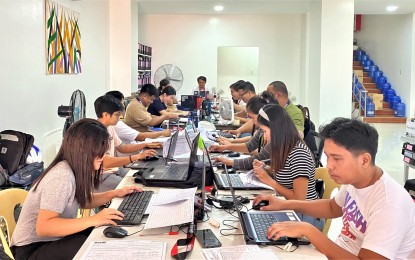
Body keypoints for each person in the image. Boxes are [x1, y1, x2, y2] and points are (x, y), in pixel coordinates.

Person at [254, 118, 415, 259]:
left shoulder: (389, 204)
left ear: (364, 160)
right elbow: (332, 207)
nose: (329, 165)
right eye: (328, 157)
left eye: (337, 158)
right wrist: (283, 204)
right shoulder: (356, 181)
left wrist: (308, 230)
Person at [11, 119, 145, 259]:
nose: (103, 156)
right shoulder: (61, 177)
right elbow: (44, 227)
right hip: (31, 249)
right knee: (95, 250)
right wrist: (94, 219)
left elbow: (83, 201)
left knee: (100, 237)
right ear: (83, 150)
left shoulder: (72, 169)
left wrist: (114, 193)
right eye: (100, 151)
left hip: (54, 239)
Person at [251, 104, 323, 229]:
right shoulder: (284, 147)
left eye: (265, 131)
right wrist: (266, 169)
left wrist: (269, 181)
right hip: (292, 210)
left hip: (306, 217)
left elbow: (299, 199)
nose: (265, 136)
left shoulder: (299, 153)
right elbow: (286, 175)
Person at [95, 95, 159, 192]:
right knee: (136, 188)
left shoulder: (110, 127)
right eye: (117, 115)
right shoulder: (95, 133)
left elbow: (122, 147)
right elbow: (105, 162)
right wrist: (136, 157)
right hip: (100, 176)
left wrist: (144, 145)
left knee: (145, 178)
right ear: (106, 115)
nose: (119, 118)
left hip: (113, 169)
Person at [211, 92, 276, 171]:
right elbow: (250, 146)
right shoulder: (264, 128)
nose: (252, 121)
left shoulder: (276, 133)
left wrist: (231, 162)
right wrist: (225, 147)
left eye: (252, 118)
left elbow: (261, 157)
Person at [105, 91, 171, 143]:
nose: (123, 107)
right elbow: (141, 136)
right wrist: (163, 133)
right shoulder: (116, 124)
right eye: (122, 104)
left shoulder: (113, 123)